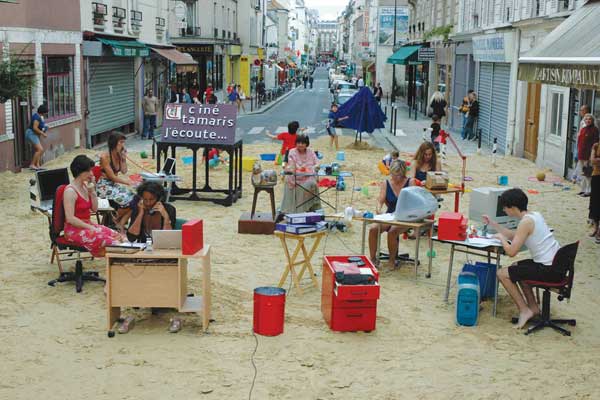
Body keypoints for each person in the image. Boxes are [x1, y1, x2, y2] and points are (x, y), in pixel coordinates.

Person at [486, 188, 562, 329]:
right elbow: (514, 235)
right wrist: (494, 224)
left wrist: (502, 239)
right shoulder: (534, 216)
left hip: (548, 270)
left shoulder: (525, 223)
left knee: (502, 273)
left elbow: (511, 251)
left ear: (512, 207)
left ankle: (524, 310)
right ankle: (533, 308)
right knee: (516, 267)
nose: (504, 210)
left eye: (505, 207)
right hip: (556, 265)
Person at [63, 155, 123, 257]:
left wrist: (92, 191)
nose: (91, 174)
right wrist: (90, 227)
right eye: (89, 171)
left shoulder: (85, 186)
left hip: (87, 225)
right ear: (80, 172)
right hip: (74, 229)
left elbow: (94, 209)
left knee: (118, 236)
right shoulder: (70, 191)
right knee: (110, 242)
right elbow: (70, 218)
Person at [368, 160, 416, 267]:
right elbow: (380, 199)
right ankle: (372, 258)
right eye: (394, 174)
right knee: (373, 229)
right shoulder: (387, 183)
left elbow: (414, 202)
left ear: (403, 173)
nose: (396, 177)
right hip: (390, 215)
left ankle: (392, 260)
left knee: (393, 231)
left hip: (405, 216)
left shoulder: (410, 182)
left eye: (399, 174)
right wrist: (378, 208)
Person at [96, 132, 135, 229]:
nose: (123, 145)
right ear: (114, 143)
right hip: (103, 186)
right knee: (126, 200)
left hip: (113, 185)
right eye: (121, 142)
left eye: (123, 142)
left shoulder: (118, 155)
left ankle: (119, 222)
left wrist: (123, 159)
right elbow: (112, 177)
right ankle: (116, 220)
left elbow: (124, 171)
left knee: (136, 199)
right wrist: (127, 182)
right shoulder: (105, 157)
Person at [279, 134, 321, 214]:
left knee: (312, 183)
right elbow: (292, 166)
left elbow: (317, 163)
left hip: (308, 176)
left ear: (306, 144)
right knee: (297, 182)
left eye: (302, 143)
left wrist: (316, 167)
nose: (300, 145)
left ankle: (310, 207)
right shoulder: (292, 152)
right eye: (298, 143)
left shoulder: (311, 151)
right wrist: (302, 169)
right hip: (295, 176)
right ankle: (299, 209)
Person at [575, 113, 599, 197]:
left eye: (590, 119)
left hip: (588, 155)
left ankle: (589, 191)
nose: (588, 120)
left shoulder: (594, 130)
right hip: (581, 154)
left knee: (588, 174)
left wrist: (591, 156)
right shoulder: (583, 129)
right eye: (586, 119)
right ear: (584, 120)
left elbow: (595, 144)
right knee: (582, 173)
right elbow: (579, 143)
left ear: (592, 121)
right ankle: (583, 189)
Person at [25, 104, 49, 170]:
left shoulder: (38, 116)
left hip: (34, 134)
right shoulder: (37, 117)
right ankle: (32, 164)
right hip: (31, 134)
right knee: (40, 149)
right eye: (46, 112)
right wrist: (43, 133)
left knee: (38, 150)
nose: (46, 114)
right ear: (43, 112)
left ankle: (37, 165)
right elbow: (35, 128)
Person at [572, 105, 591, 184]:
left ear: (586, 111)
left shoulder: (588, 122)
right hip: (579, 143)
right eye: (580, 110)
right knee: (578, 160)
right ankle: (576, 177)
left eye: (581, 110)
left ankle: (576, 177)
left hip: (584, 146)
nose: (580, 112)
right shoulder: (582, 121)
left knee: (581, 162)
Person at [589, 140, 600, 244]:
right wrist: (596, 160)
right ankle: (596, 228)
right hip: (596, 176)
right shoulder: (596, 145)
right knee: (595, 203)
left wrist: (597, 160)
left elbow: (596, 160)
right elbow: (592, 161)